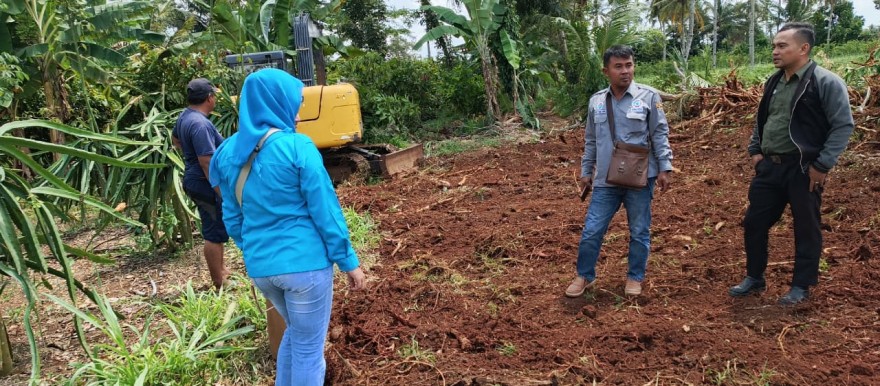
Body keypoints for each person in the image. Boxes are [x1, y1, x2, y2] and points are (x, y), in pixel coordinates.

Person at [208, 68, 366, 386]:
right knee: (309, 350)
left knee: (295, 336)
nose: (296, 111)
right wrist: (349, 262)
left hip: (262, 269)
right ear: (276, 102)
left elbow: (232, 217)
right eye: (294, 103)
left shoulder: (226, 153)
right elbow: (325, 211)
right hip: (305, 267)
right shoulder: (298, 147)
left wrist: (256, 248)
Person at [729, 22, 854, 306]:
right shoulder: (774, 81)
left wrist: (822, 165)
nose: (775, 51)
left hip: (804, 169)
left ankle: (801, 285)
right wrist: (755, 150)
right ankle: (754, 277)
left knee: (806, 226)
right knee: (754, 222)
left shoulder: (824, 82)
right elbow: (765, 119)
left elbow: (842, 125)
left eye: (782, 46)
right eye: (774, 45)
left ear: (804, 48)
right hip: (770, 168)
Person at [565, 45, 673, 298]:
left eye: (629, 65)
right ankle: (584, 276)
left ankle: (635, 277)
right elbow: (591, 139)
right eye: (619, 66)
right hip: (605, 180)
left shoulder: (648, 97)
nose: (625, 71)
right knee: (592, 230)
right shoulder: (596, 101)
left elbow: (660, 133)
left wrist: (665, 167)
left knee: (639, 230)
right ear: (606, 71)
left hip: (640, 178)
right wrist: (586, 171)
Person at [172, 78, 230, 289]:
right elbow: (207, 162)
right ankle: (219, 280)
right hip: (204, 182)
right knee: (213, 230)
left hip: (194, 179)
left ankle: (222, 270)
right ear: (209, 98)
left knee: (216, 226)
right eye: (214, 95)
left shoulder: (185, 117)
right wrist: (220, 190)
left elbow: (175, 141)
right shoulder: (200, 124)